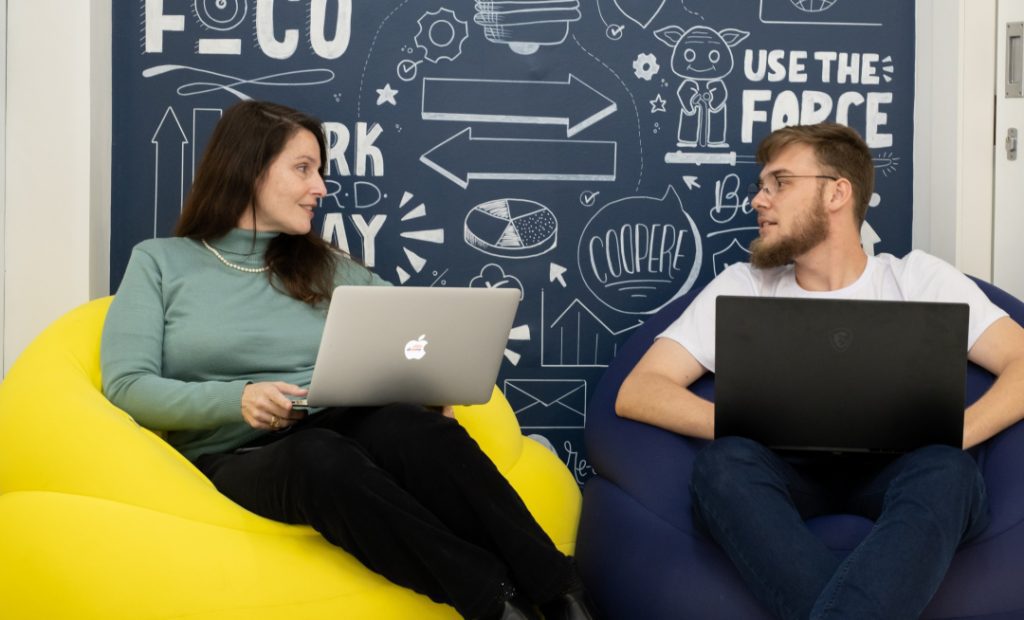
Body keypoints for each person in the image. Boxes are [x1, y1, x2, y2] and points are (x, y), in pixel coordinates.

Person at [101, 100, 593, 620]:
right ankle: (496, 601)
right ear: (248, 167)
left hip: (342, 422)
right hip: (239, 453)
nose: (320, 188)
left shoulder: (325, 265)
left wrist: (430, 381)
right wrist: (236, 399)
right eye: (302, 169)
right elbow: (127, 385)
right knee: (320, 458)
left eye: (320, 171)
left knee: (417, 431)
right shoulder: (159, 261)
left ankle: (564, 595)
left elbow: (410, 329)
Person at [616, 122, 1024, 619]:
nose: (758, 201)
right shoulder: (746, 285)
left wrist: (953, 434)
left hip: (898, 468)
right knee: (723, 466)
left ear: (837, 192)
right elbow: (639, 391)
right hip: (785, 471)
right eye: (761, 186)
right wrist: (759, 424)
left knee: (950, 471)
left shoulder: (917, 278)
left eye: (780, 183)